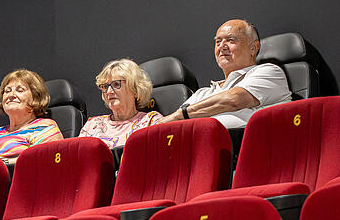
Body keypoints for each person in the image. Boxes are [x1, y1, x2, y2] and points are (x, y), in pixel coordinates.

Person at [157, 19, 290, 128]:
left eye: (231, 40)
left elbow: (234, 99)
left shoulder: (269, 72)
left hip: (250, 152)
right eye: (218, 42)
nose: (222, 46)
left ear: (254, 48)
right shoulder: (202, 93)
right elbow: (171, 125)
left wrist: (183, 114)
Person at [0, 69, 63, 161]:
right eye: (7, 91)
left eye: (20, 90)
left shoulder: (43, 128)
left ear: (35, 98)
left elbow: (44, 163)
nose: (11, 95)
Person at [79, 59, 163, 148]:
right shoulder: (93, 124)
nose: (109, 91)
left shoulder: (150, 121)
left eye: (116, 84)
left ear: (135, 89)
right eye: (105, 87)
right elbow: (78, 157)